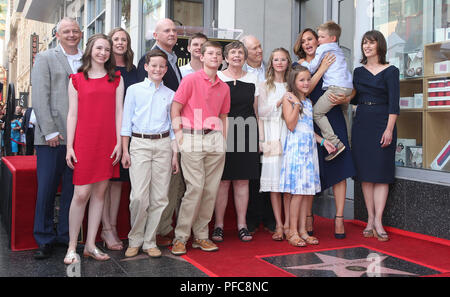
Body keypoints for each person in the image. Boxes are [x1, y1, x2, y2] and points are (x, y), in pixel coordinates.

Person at [63, 33, 124, 264]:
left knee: (100, 193)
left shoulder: (116, 78)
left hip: (108, 141)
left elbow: (120, 112)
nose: (103, 53)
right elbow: (72, 114)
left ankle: (90, 245)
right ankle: (71, 247)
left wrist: (119, 142)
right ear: (90, 50)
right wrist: (70, 146)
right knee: (81, 194)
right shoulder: (76, 79)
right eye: (99, 48)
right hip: (84, 142)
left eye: (107, 49)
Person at [293, 28, 355, 239]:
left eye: (311, 39)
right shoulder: (299, 65)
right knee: (312, 170)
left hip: (333, 116)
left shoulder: (330, 55)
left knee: (340, 169)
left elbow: (349, 85)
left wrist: (347, 98)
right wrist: (322, 68)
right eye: (304, 41)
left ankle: (339, 219)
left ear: (320, 42)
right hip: (310, 120)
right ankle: (309, 218)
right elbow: (305, 89)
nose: (308, 43)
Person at [170, 41, 230, 256]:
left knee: (210, 190)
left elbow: (224, 116)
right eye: (210, 53)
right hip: (191, 137)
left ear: (222, 59)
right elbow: (175, 108)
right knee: (195, 188)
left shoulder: (223, 87)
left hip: (214, 139)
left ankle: (201, 237)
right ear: (202, 57)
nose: (215, 56)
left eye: (218, 54)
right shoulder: (190, 80)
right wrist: (179, 137)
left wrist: (223, 141)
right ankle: (180, 237)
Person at [31, 17, 82, 260]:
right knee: (47, 191)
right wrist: (49, 130)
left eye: (75, 31)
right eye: (66, 31)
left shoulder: (87, 60)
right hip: (53, 137)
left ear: (81, 34)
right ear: (57, 35)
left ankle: (65, 236)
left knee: (73, 192)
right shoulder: (45, 58)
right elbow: (40, 96)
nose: (72, 35)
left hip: (80, 139)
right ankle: (43, 238)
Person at [121, 49, 179, 258]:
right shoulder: (134, 90)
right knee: (138, 197)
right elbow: (126, 121)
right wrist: (125, 150)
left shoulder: (170, 95)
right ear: (146, 67)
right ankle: (134, 238)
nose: (157, 69)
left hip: (163, 145)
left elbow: (173, 127)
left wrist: (174, 154)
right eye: (153, 65)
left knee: (160, 197)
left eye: (162, 66)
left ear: (166, 69)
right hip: (139, 144)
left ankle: (149, 240)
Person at [138, 18, 184, 246]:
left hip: (172, 132)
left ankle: (162, 229)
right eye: (167, 30)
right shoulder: (148, 60)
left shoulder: (173, 60)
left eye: (174, 30)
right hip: (151, 136)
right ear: (155, 35)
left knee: (169, 186)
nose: (172, 34)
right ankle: (153, 232)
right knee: (151, 190)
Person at [279, 66, 335, 247]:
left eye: (308, 79)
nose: (306, 83)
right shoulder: (290, 100)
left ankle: (303, 230)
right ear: (294, 82)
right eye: (301, 80)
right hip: (296, 150)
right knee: (297, 193)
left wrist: (322, 141)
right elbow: (291, 125)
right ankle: (293, 231)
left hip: (309, 150)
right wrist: (296, 104)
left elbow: (308, 130)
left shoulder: (309, 102)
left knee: (306, 193)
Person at [351, 30, 399, 242]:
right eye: (364, 43)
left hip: (383, 122)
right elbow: (353, 99)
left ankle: (379, 220)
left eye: (371, 42)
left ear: (380, 45)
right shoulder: (358, 72)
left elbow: (394, 103)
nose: (367, 46)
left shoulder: (391, 71)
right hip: (362, 123)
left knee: (381, 173)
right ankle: (369, 218)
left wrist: (389, 129)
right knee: (366, 174)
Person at [212, 41, 259, 243]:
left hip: (247, 132)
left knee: (242, 181)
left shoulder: (254, 78)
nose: (237, 56)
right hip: (223, 133)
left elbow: (256, 112)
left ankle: (242, 225)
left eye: (240, 52)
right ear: (225, 57)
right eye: (233, 52)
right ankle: (219, 226)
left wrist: (259, 139)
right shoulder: (218, 77)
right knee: (222, 182)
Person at [100, 27, 138, 251]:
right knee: (104, 181)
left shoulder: (134, 70)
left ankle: (112, 226)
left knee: (117, 182)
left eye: (124, 39)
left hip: (128, 131)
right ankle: (105, 228)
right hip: (105, 129)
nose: (120, 43)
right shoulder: (103, 69)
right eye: (116, 39)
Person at [300, 21, 353, 161]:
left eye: (320, 37)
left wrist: (303, 64)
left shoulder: (323, 49)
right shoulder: (338, 50)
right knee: (344, 113)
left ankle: (335, 142)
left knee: (316, 113)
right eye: (303, 41)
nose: (319, 40)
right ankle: (348, 140)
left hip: (335, 89)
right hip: (346, 87)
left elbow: (311, 68)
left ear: (332, 38)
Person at [240, 35, 276, 235]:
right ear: (245, 52)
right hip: (248, 126)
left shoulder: (271, 67)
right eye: (254, 48)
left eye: (260, 46)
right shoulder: (242, 72)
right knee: (253, 172)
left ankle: (270, 218)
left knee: (270, 168)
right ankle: (252, 219)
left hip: (273, 126)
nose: (259, 51)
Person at [257, 48, 292, 241]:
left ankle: (288, 225)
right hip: (271, 134)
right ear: (271, 62)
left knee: (287, 183)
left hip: (289, 134)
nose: (279, 62)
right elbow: (260, 113)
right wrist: (262, 141)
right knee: (274, 184)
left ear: (288, 62)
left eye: (283, 59)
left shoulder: (292, 84)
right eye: (276, 59)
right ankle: (278, 224)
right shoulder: (264, 85)